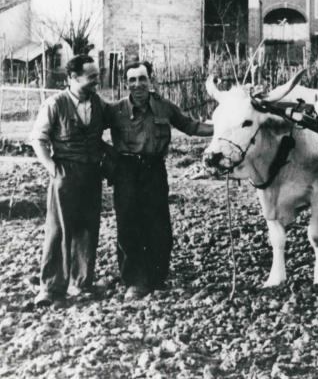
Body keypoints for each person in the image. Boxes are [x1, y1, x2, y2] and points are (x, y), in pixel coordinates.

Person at [105, 60, 213, 300]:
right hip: (126, 171)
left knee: (158, 224)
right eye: (132, 80)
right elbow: (90, 132)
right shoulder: (115, 110)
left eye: (142, 79)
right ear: (126, 84)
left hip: (154, 170)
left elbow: (190, 126)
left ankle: (156, 276)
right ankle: (135, 280)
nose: (138, 85)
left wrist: (224, 128)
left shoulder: (164, 108)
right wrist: (109, 159)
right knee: (128, 225)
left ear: (150, 80)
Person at [30, 55, 106, 306]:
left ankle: (81, 283)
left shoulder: (99, 104)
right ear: (73, 78)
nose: (97, 80)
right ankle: (51, 287)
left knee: (87, 228)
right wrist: (52, 167)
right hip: (65, 173)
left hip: (92, 173)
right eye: (92, 76)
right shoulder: (54, 104)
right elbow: (38, 139)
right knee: (59, 229)